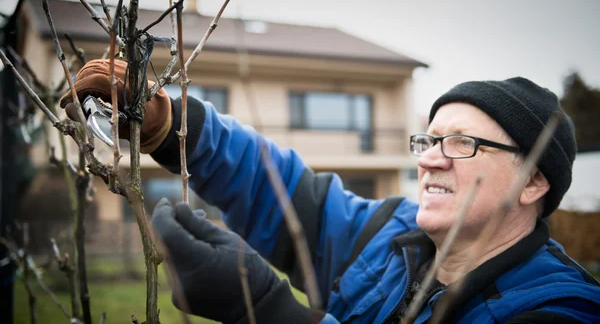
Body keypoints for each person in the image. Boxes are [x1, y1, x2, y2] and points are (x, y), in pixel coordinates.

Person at [61, 59, 600, 324]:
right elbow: (281, 189)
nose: (429, 158)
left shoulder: (563, 312)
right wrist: (170, 123)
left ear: (534, 181)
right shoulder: (392, 236)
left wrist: (270, 311)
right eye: (428, 139)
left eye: (461, 143)